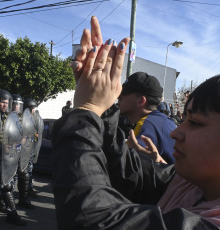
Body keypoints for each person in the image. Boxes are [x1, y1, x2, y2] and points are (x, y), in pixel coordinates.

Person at [52, 16, 220, 229]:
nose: (175, 133)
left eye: (195, 122)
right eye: (185, 119)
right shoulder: (190, 184)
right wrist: (102, 110)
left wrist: (87, 111)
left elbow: (94, 219)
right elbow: (129, 175)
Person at [118, 72, 177, 164]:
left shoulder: (147, 124)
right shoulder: (161, 120)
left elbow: (125, 164)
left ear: (141, 101)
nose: (118, 98)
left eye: (122, 96)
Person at [0, 89, 27, 226]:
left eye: (7, 103)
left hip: (4, 158)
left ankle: (12, 214)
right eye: (2, 102)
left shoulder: (11, 118)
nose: (5, 105)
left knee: (7, 186)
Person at [11, 94, 35, 209]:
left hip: (21, 152)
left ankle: (23, 199)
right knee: (8, 180)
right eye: (14, 104)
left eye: (18, 104)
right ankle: (3, 201)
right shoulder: (6, 116)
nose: (16, 106)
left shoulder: (24, 118)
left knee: (24, 176)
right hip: (9, 153)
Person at [23, 98, 39, 198]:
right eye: (32, 108)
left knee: (30, 171)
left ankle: (29, 188)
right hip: (25, 150)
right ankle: (27, 190)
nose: (34, 111)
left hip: (31, 149)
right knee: (26, 173)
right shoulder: (24, 119)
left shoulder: (32, 119)